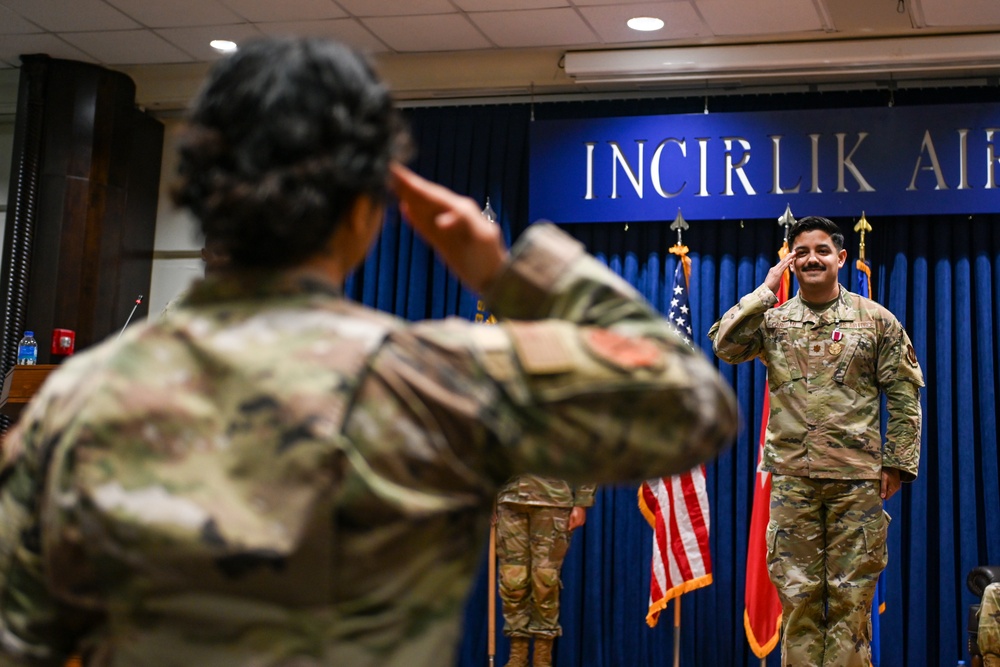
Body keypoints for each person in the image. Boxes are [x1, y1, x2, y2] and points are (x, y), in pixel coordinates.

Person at [0, 36, 738, 667]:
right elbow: (692, 406)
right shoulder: (426, 379)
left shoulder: (74, 402)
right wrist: (508, 273)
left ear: (200, 196)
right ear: (367, 213)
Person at [708, 215, 923, 667]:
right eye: (801, 252)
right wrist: (766, 291)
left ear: (841, 258)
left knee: (851, 605)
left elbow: (904, 396)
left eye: (822, 251)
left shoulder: (875, 321)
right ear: (791, 261)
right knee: (799, 602)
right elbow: (725, 346)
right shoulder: (774, 320)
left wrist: (897, 464)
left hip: (855, 484)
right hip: (793, 482)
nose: (811, 259)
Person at [495, 475, 594, 667]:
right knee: (512, 580)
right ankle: (517, 657)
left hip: (552, 500)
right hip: (509, 499)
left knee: (545, 581)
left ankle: (542, 658)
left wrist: (582, 502)